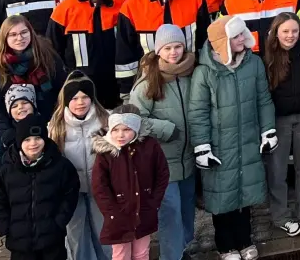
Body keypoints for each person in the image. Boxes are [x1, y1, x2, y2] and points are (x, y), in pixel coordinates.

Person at [189, 16, 275, 260]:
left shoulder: (253, 63)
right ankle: (226, 245)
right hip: (219, 145)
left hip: (247, 139)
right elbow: (198, 112)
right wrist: (202, 147)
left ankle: (245, 239)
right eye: (235, 36)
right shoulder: (204, 72)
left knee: (245, 192)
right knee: (222, 195)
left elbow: (263, 100)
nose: (241, 39)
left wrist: (268, 130)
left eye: (241, 34)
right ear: (222, 41)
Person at [128, 26, 198, 260]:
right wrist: (165, 129)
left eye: (178, 47)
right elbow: (135, 119)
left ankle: (182, 249)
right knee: (170, 213)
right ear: (158, 50)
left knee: (187, 209)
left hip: (188, 157)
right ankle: (171, 256)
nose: (173, 52)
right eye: (167, 48)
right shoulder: (148, 82)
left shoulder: (191, 74)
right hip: (163, 162)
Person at [258, 16, 300, 237]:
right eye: (285, 31)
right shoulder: (267, 57)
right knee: (277, 170)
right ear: (276, 32)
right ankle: (280, 215)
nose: (290, 36)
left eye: (294, 31)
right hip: (278, 119)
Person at [0, 125, 79, 260]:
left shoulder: (61, 166)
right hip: (20, 243)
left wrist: (59, 222)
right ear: (19, 142)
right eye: (27, 140)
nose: (33, 143)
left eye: (38, 138)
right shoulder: (7, 171)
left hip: (52, 240)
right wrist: (5, 226)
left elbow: (70, 195)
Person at [90, 110, 168, 260]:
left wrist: (154, 202)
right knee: (121, 254)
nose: (120, 135)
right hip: (118, 214)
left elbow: (162, 174)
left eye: (126, 129)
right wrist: (111, 212)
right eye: (115, 130)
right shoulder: (106, 153)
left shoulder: (150, 146)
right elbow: (99, 186)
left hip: (144, 210)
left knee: (141, 253)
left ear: (136, 129)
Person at [0, 16, 67, 149]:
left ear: (31, 32)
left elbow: (61, 88)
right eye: (13, 34)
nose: (19, 38)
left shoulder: (46, 53)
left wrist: (57, 121)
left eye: (24, 32)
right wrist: (5, 133)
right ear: (4, 37)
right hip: (11, 125)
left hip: (46, 121)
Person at [49, 76, 109, 260]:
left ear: (92, 98)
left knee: (104, 230)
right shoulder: (56, 126)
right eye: (74, 98)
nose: (80, 102)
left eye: (85, 97)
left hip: (100, 187)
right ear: (66, 101)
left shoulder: (105, 121)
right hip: (71, 191)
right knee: (76, 233)